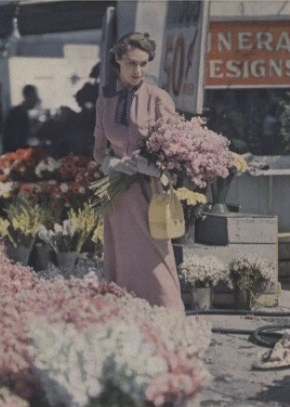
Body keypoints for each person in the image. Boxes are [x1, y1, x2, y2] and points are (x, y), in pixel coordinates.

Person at [93, 32, 183, 309]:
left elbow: (177, 151)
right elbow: (98, 150)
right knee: (122, 256)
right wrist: (110, 163)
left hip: (150, 192)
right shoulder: (105, 100)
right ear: (118, 59)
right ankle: (128, 317)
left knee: (157, 259)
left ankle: (168, 317)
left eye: (144, 64)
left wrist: (153, 168)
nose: (138, 71)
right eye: (132, 63)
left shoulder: (158, 98)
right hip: (118, 196)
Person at [2, 84, 39, 153]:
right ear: (28, 96)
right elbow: (15, 140)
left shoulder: (19, 111)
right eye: (34, 96)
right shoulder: (18, 113)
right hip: (13, 154)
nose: (36, 100)